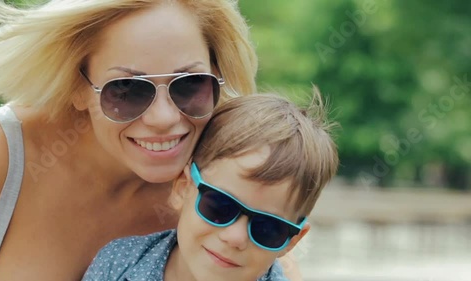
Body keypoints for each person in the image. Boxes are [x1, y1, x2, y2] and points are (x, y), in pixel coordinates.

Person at [0, 0, 261, 280]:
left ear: (217, 78)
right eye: (126, 89)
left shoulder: (226, 180)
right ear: (78, 87)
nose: (163, 118)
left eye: (189, 84)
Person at [82, 91, 339, 281]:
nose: (235, 237)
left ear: (292, 240)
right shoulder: (119, 265)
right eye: (219, 206)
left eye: (268, 229)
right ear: (183, 187)